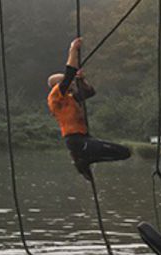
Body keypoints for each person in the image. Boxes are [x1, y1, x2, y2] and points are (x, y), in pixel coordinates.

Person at [46, 37, 131, 181]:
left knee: (125, 153)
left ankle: (86, 161)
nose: (72, 83)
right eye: (69, 82)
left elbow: (90, 93)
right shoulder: (56, 97)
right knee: (121, 152)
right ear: (58, 84)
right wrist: (73, 49)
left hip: (85, 138)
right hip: (75, 140)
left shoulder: (70, 98)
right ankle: (82, 160)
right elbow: (69, 74)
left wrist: (82, 80)